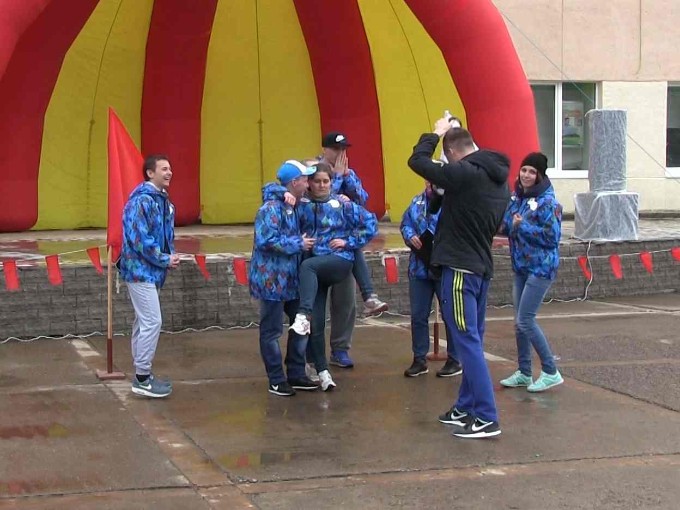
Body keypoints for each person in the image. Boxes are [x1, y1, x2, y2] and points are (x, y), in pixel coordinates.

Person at [408, 121, 510, 439]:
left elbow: (417, 161)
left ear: (452, 152)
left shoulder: (465, 172)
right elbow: (447, 204)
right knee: (471, 340)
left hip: (459, 270)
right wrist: (437, 193)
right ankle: (466, 406)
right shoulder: (495, 178)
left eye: (447, 157)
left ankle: (487, 417)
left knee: (466, 342)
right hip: (479, 267)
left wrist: (435, 133)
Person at [289, 163, 378, 391]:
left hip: (338, 261)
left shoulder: (341, 204)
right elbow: (270, 194)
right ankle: (323, 372)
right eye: (317, 181)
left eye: (325, 181)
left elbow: (370, 222)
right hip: (316, 270)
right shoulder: (302, 205)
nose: (321, 185)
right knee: (317, 324)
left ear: (331, 182)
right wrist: (283, 194)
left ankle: (303, 314)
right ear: (309, 183)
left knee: (308, 267)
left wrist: (349, 242)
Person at [318, 133, 388, 369]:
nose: (340, 153)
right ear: (325, 149)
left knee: (345, 302)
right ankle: (312, 354)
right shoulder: (313, 170)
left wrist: (346, 176)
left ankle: (340, 350)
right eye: (336, 149)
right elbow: (323, 201)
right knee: (315, 306)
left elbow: (362, 199)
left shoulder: (346, 172)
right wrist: (336, 178)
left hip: (343, 245)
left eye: (343, 149)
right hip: (320, 246)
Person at [249, 160, 319, 397]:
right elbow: (266, 240)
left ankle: (297, 373)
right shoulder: (270, 208)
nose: (308, 184)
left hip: (292, 279)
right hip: (271, 280)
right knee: (271, 331)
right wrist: (298, 243)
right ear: (294, 182)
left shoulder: (297, 205)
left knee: (301, 324)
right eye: (305, 180)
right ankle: (277, 380)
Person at [498, 152, 564, 392]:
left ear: (540, 176)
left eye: (532, 172)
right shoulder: (517, 198)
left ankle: (550, 371)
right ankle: (524, 372)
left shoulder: (549, 203)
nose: (526, 175)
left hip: (541, 267)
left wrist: (522, 225)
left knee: (525, 319)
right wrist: (509, 225)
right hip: (521, 266)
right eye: (524, 170)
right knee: (519, 323)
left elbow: (552, 237)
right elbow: (506, 226)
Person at [118, 154, 180, 398]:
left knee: (143, 321)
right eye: (164, 168)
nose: (169, 172)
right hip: (139, 271)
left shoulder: (162, 201)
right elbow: (139, 239)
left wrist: (168, 257)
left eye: (170, 168)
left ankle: (141, 373)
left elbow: (164, 235)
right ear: (150, 173)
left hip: (151, 271)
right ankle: (142, 378)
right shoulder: (140, 202)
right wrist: (164, 258)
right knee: (153, 321)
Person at [400, 182, 461, 378]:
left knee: (450, 315)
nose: (430, 183)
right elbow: (405, 223)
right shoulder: (416, 202)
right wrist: (410, 235)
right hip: (419, 268)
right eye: (428, 180)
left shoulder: (452, 202)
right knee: (418, 315)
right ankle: (419, 359)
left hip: (444, 266)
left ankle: (454, 359)